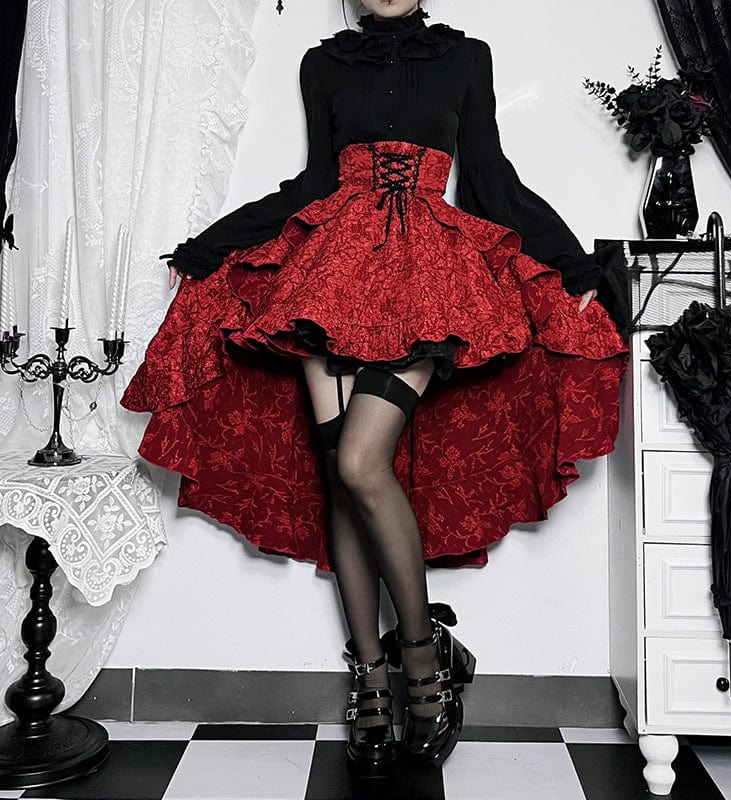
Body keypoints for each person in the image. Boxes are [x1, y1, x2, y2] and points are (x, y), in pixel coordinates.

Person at [122, 0, 629, 779]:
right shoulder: (324, 63)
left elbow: (489, 177)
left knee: (363, 462)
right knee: (341, 474)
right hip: (328, 274)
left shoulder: (465, 57)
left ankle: (422, 659)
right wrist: (215, 245)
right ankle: (369, 675)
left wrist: (571, 264)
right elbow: (312, 183)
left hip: (428, 277)